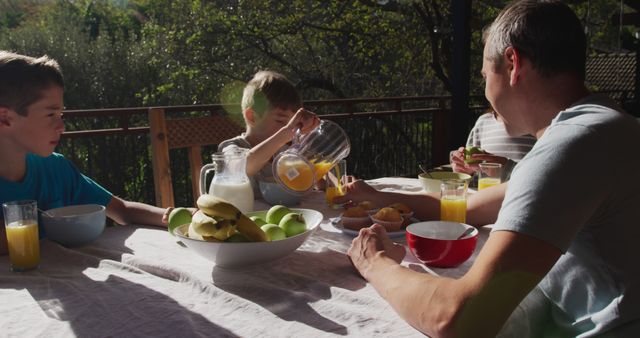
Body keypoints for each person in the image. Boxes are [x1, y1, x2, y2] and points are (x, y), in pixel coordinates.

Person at [336, 1, 640, 337]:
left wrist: (374, 263)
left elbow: (457, 319)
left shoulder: (574, 144)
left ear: (513, 63)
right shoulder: (606, 129)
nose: (485, 91)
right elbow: (465, 210)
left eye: (484, 75)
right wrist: (378, 195)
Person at [0, 51, 170, 256]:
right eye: (50, 114)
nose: (61, 126)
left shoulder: (57, 169)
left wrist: (173, 215)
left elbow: (122, 210)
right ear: (5, 118)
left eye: (61, 114)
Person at [217, 70, 320, 185]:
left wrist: (332, 185)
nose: (290, 128)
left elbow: (315, 179)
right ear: (252, 117)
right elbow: (242, 168)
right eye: (280, 120)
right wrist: (283, 134)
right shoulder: (232, 148)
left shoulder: (286, 152)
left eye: (292, 122)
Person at [450, 110, 536, 180]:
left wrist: (506, 169)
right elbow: (473, 177)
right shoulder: (483, 122)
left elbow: (544, 180)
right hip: (484, 198)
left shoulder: (543, 126)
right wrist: (466, 171)